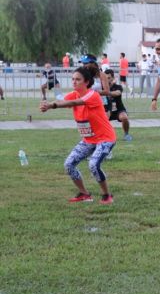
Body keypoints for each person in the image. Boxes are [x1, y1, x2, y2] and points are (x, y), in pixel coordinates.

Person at [39, 66, 116, 204]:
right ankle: (84, 194)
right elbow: (62, 100)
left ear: (86, 82)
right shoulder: (74, 93)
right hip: (89, 140)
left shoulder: (93, 95)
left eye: (78, 79)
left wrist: (52, 106)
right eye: (72, 79)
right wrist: (49, 104)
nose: (74, 82)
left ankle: (107, 196)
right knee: (69, 164)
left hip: (105, 139)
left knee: (93, 164)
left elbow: (74, 103)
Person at [104, 69, 132, 141]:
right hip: (106, 110)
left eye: (109, 78)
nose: (107, 80)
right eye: (105, 78)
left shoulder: (118, 86)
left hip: (118, 109)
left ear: (113, 78)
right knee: (98, 121)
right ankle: (103, 137)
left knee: (124, 118)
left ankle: (126, 134)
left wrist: (106, 92)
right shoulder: (101, 87)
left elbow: (118, 93)